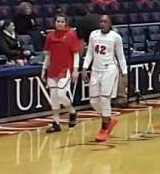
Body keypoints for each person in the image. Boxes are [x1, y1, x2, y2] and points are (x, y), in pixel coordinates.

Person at [85, 12, 126, 143]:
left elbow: (120, 55)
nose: (102, 24)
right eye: (101, 22)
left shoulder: (116, 37)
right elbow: (90, 53)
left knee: (105, 99)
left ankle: (103, 129)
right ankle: (108, 118)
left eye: (105, 22)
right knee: (93, 101)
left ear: (110, 24)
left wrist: (124, 72)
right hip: (95, 70)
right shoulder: (93, 35)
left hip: (109, 69)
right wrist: (85, 68)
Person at [42, 12, 81, 131]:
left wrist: (75, 69)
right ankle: (56, 123)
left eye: (62, 21)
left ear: (65, 23)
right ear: (54, 23)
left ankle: (72, 111)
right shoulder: (49, 36)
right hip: (53, 69)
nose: (60, 24)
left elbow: (76, 54)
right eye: (58, 21)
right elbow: (47, 55)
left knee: (60, 94)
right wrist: (44, 69)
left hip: (66, 69)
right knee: (53, 97)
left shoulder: (70, 35)